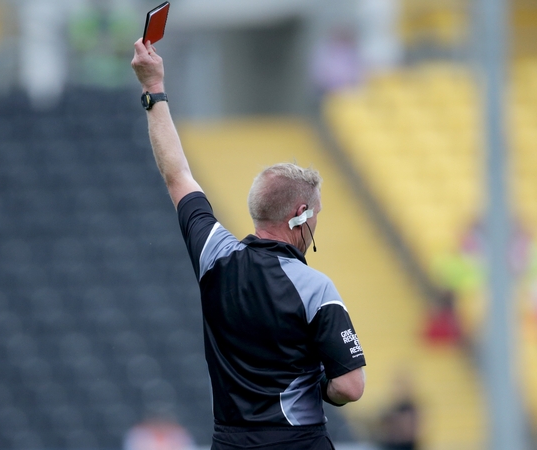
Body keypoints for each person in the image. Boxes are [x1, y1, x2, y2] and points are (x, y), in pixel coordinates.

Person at [131, 39, 367, 450]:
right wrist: (323, 390)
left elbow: (178, 175)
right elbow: (350, 386)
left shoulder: (213, 255)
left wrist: (153, 87)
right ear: (300, 214)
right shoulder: (316, 289)